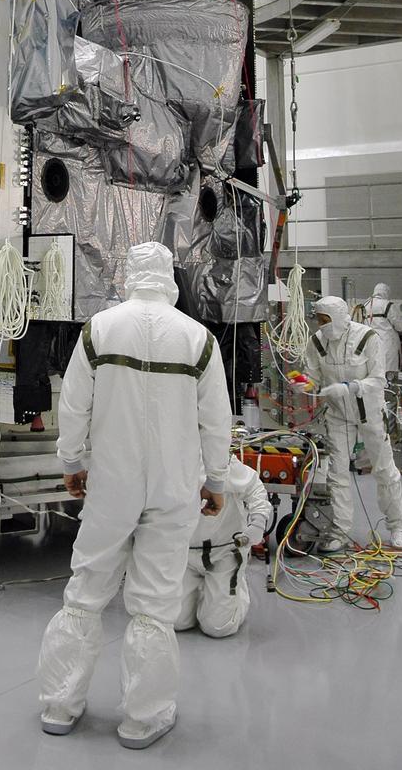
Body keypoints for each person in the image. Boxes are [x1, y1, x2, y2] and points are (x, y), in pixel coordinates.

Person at [37, 242, 232, 751]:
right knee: (154, 604)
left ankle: (61, 704)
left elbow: (74, 403)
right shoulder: (199, 339)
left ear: (128, 275)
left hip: (111, 483)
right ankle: (143, 718)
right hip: (173, 487)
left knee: (86, 590)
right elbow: (216, 421)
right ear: (169, 278)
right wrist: (216, 481)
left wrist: (73, 462)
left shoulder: (100, 330)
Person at [306, 295, 402, 552]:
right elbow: (312, 378)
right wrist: (303, 384)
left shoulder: (367, 338)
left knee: (384, 470)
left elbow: (378, 380)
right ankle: (340, 531)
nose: (321, 325)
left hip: (370, 414)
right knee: (337, 475)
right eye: (318, 320)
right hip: (338, 416)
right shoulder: (317, 343)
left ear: (340, 317)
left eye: (326, 320)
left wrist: (351, 387)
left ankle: (399, 526)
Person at [175, 457, 272, 638]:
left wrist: (258, 521)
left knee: (218, 626)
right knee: (177, 621)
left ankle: (234, 592)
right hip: (185, 553)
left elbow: (254, 486)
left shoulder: (219, 462)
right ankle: (211, 592)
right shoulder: (170, 460)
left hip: (225, 552)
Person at [363, 282, 402, 374]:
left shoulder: (366, 305)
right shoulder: (387, 305)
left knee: (375, 373)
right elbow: (400, 326)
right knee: (390, 373)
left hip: (371, 345)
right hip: (387, 345)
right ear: (386, 292)